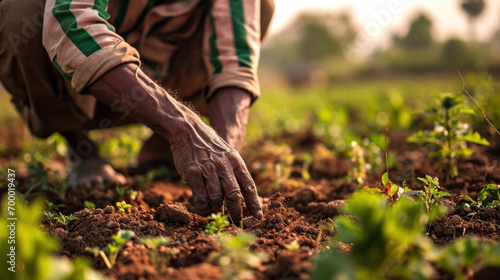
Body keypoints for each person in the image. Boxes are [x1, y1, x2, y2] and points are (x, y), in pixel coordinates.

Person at [0, 0, 275, 223]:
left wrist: (225, 159)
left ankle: (160, 149)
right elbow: (71, 20)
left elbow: (235, 62)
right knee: (21, 10)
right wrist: (183, 128)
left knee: (261, 6)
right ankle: (80, 146)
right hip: (81, 85)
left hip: (160, 79)